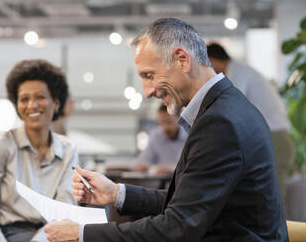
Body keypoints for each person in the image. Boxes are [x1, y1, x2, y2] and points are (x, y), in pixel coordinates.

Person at [43, 18, 288, 241]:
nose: (147, 91)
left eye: (149, 75)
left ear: (182, 60)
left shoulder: (220, 122)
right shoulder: (226, 107)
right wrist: (116, 193)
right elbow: (188, 202)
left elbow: (177, 227)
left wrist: (82, 234)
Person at [0, 59, 79, 242]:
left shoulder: (69, 150)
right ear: (17, 106)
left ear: (56, 103)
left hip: (53, 236)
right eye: (24, 99)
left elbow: (65, 209)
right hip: (7, 235)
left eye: (40, 97)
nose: (32, 105)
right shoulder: (1, 145)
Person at [206, 42, 295, 200]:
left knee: (271, 200)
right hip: (271, 138)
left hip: (275, 139)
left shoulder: (239, 73)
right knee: (265, 199)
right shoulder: (238, 71)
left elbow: (230, 107)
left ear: (211, 60)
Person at [134, 103, 187, 175]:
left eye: (169, 122)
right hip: (162, 183)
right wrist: (143, 166)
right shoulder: (156, 136)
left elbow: (194, 167)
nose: (165, 127)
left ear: (179, 119)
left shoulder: (190, 135)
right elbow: (141, 162)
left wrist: (171, 169)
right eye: (161, 123)